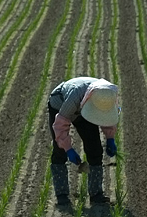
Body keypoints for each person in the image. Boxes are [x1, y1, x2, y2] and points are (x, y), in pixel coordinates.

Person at [48, 77, 120, 205]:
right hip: (60, 105)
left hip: (83, 109)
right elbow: (60, 125)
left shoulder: (107, 95)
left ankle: (96, 194)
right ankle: (62, 195)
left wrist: (110, 138)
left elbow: (106, 115)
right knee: (60, 151)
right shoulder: (74, 97)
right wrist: (68, 148)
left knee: (95, 149)